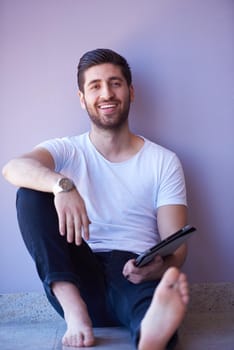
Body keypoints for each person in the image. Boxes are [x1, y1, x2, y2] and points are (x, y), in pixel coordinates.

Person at [2, 48, 189, 349]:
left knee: (149, 307)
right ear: (82, 98)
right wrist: (63, 186)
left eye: (115, 83)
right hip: (77, 276)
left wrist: (161, 265)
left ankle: (153, 334)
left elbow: (177, 244)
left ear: (130, 91)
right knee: (30, 193)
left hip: (133, 271)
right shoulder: (68, 150)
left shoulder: (163, 161)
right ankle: (75, 313)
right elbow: (13, 168)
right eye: (95, 85)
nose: (107, 93)